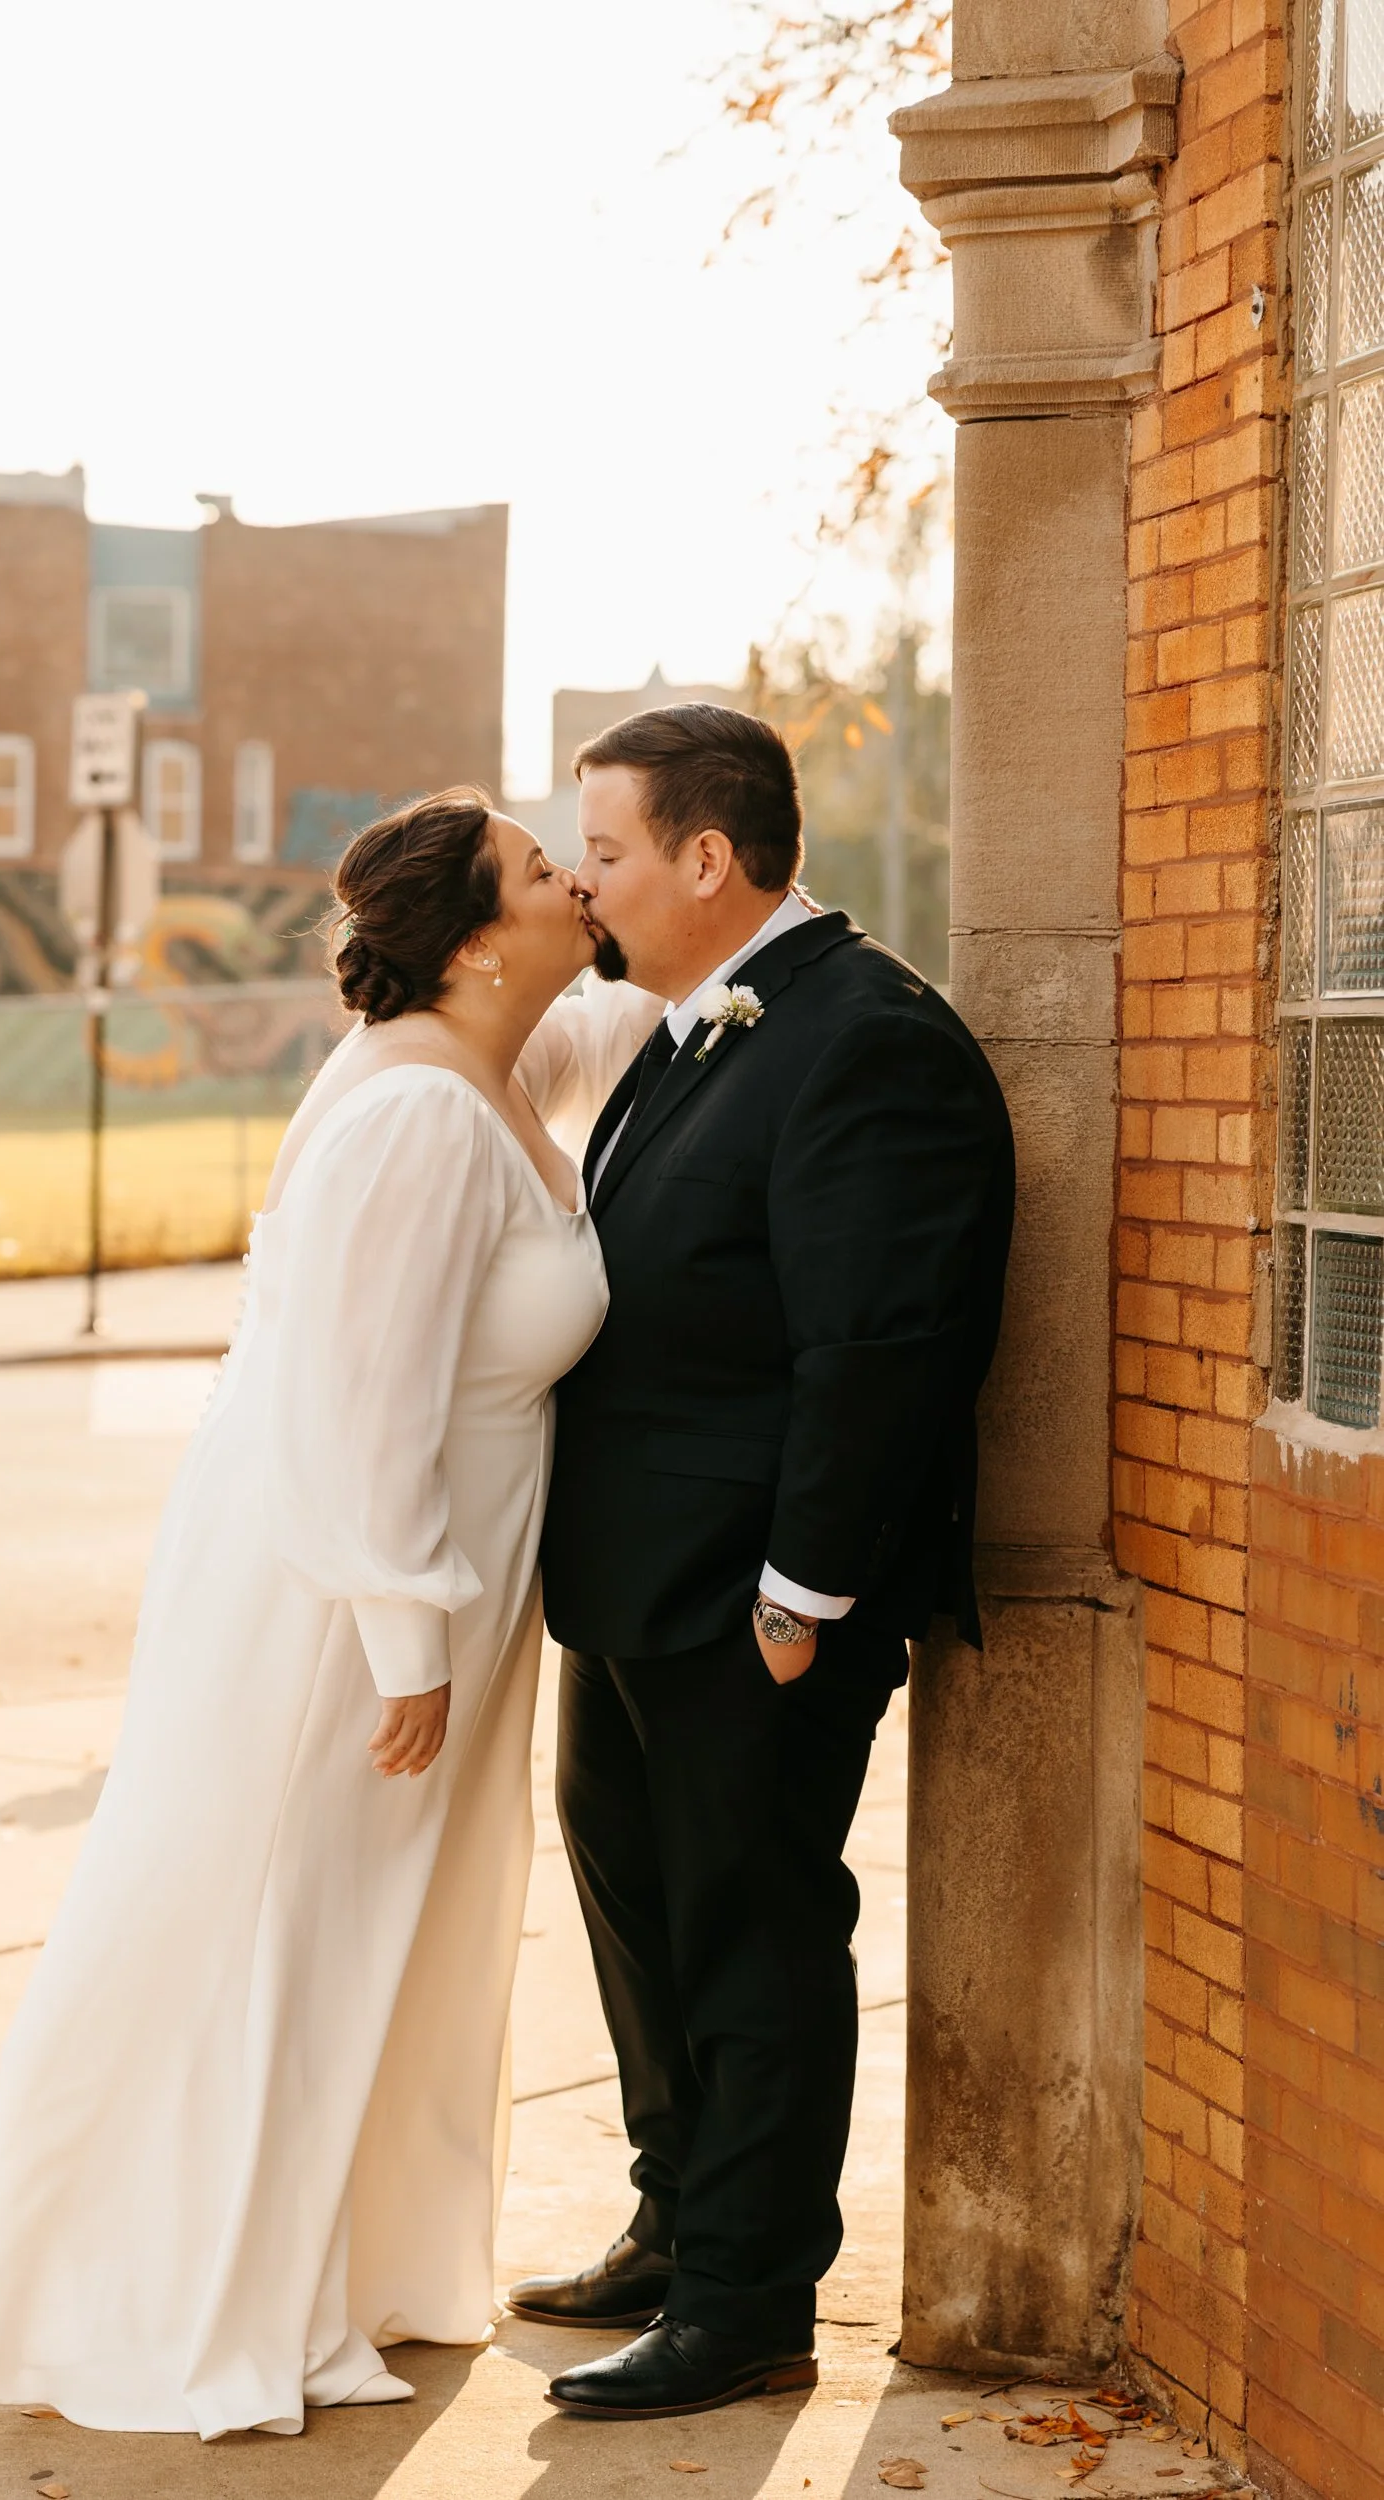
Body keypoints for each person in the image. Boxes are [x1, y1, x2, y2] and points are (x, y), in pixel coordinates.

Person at [0, 789, 657, 2439]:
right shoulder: (416, 1115)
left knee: (382, 1931)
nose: (573, 880)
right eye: (542, 869)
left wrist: (725, 900)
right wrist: (404, 1636)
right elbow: (355, 1399)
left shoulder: (494, 1061)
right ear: (473, 942)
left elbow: (635, 1004)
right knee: (297, 1923)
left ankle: (345, 2264)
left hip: (434, 1574)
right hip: (356, 1600)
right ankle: (208, 2293)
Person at [508, 703, 1015, 2422]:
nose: (585, 882)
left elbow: (878, 1346)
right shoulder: (701, 1023)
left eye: (606, 851)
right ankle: (677, 2217)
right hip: (636, 1583)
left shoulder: (866, 1038)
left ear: (708, 858)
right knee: (642, 1908)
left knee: (753, 1931)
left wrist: (803, 1597)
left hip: (755, 1599)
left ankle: (746, 2298)